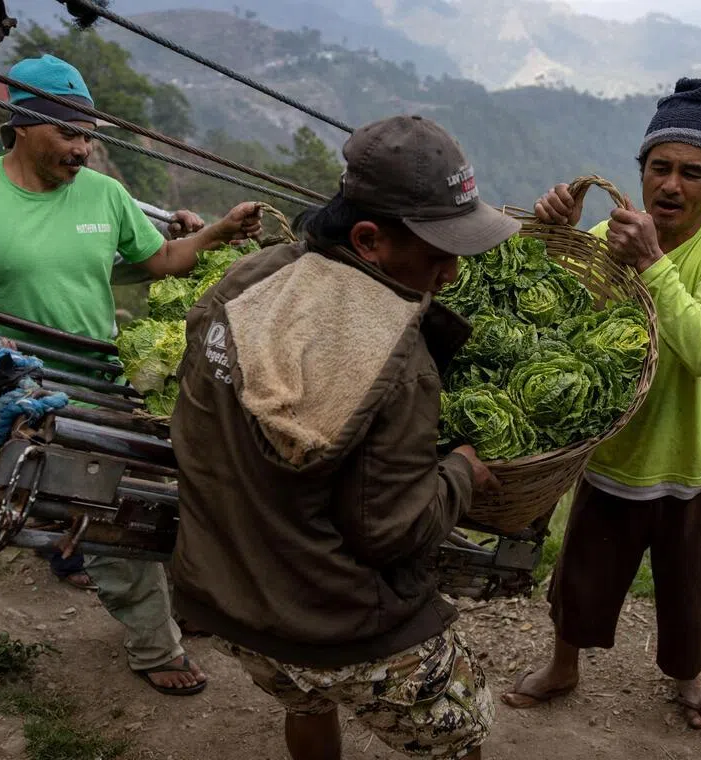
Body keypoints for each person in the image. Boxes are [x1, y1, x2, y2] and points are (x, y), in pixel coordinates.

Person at [169, 114, 518, 760]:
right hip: (327, 623)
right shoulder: (398, 360)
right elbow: (390, 529)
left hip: (222, 594)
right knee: (463, 729)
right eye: (439, 255)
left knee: (304, 697)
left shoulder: (248, 280)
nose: (451, 275)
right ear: (368, 240)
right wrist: (462, 472)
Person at [0, 53, 263, 696]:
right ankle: (153, 645)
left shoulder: (105, 196)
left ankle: (173, 595)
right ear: (23, 126)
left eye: (88, 135)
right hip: (22, 389)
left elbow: (161, 257)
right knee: (104, 508)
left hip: (103, 376)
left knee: (168, 488)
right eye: (69, 134)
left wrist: (220, 231)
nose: (82, 148)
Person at [501, 74, 701, 730]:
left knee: (692, 588)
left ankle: (688, 678)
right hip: (614, 454)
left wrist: (651, 263)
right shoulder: (604, 241)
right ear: (641, 171)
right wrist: (546, 238)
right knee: (584, 577)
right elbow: (547, 325)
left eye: (692, 173)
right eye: (659, 167)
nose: (672, 185)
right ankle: (563, 667)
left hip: (694, 460)